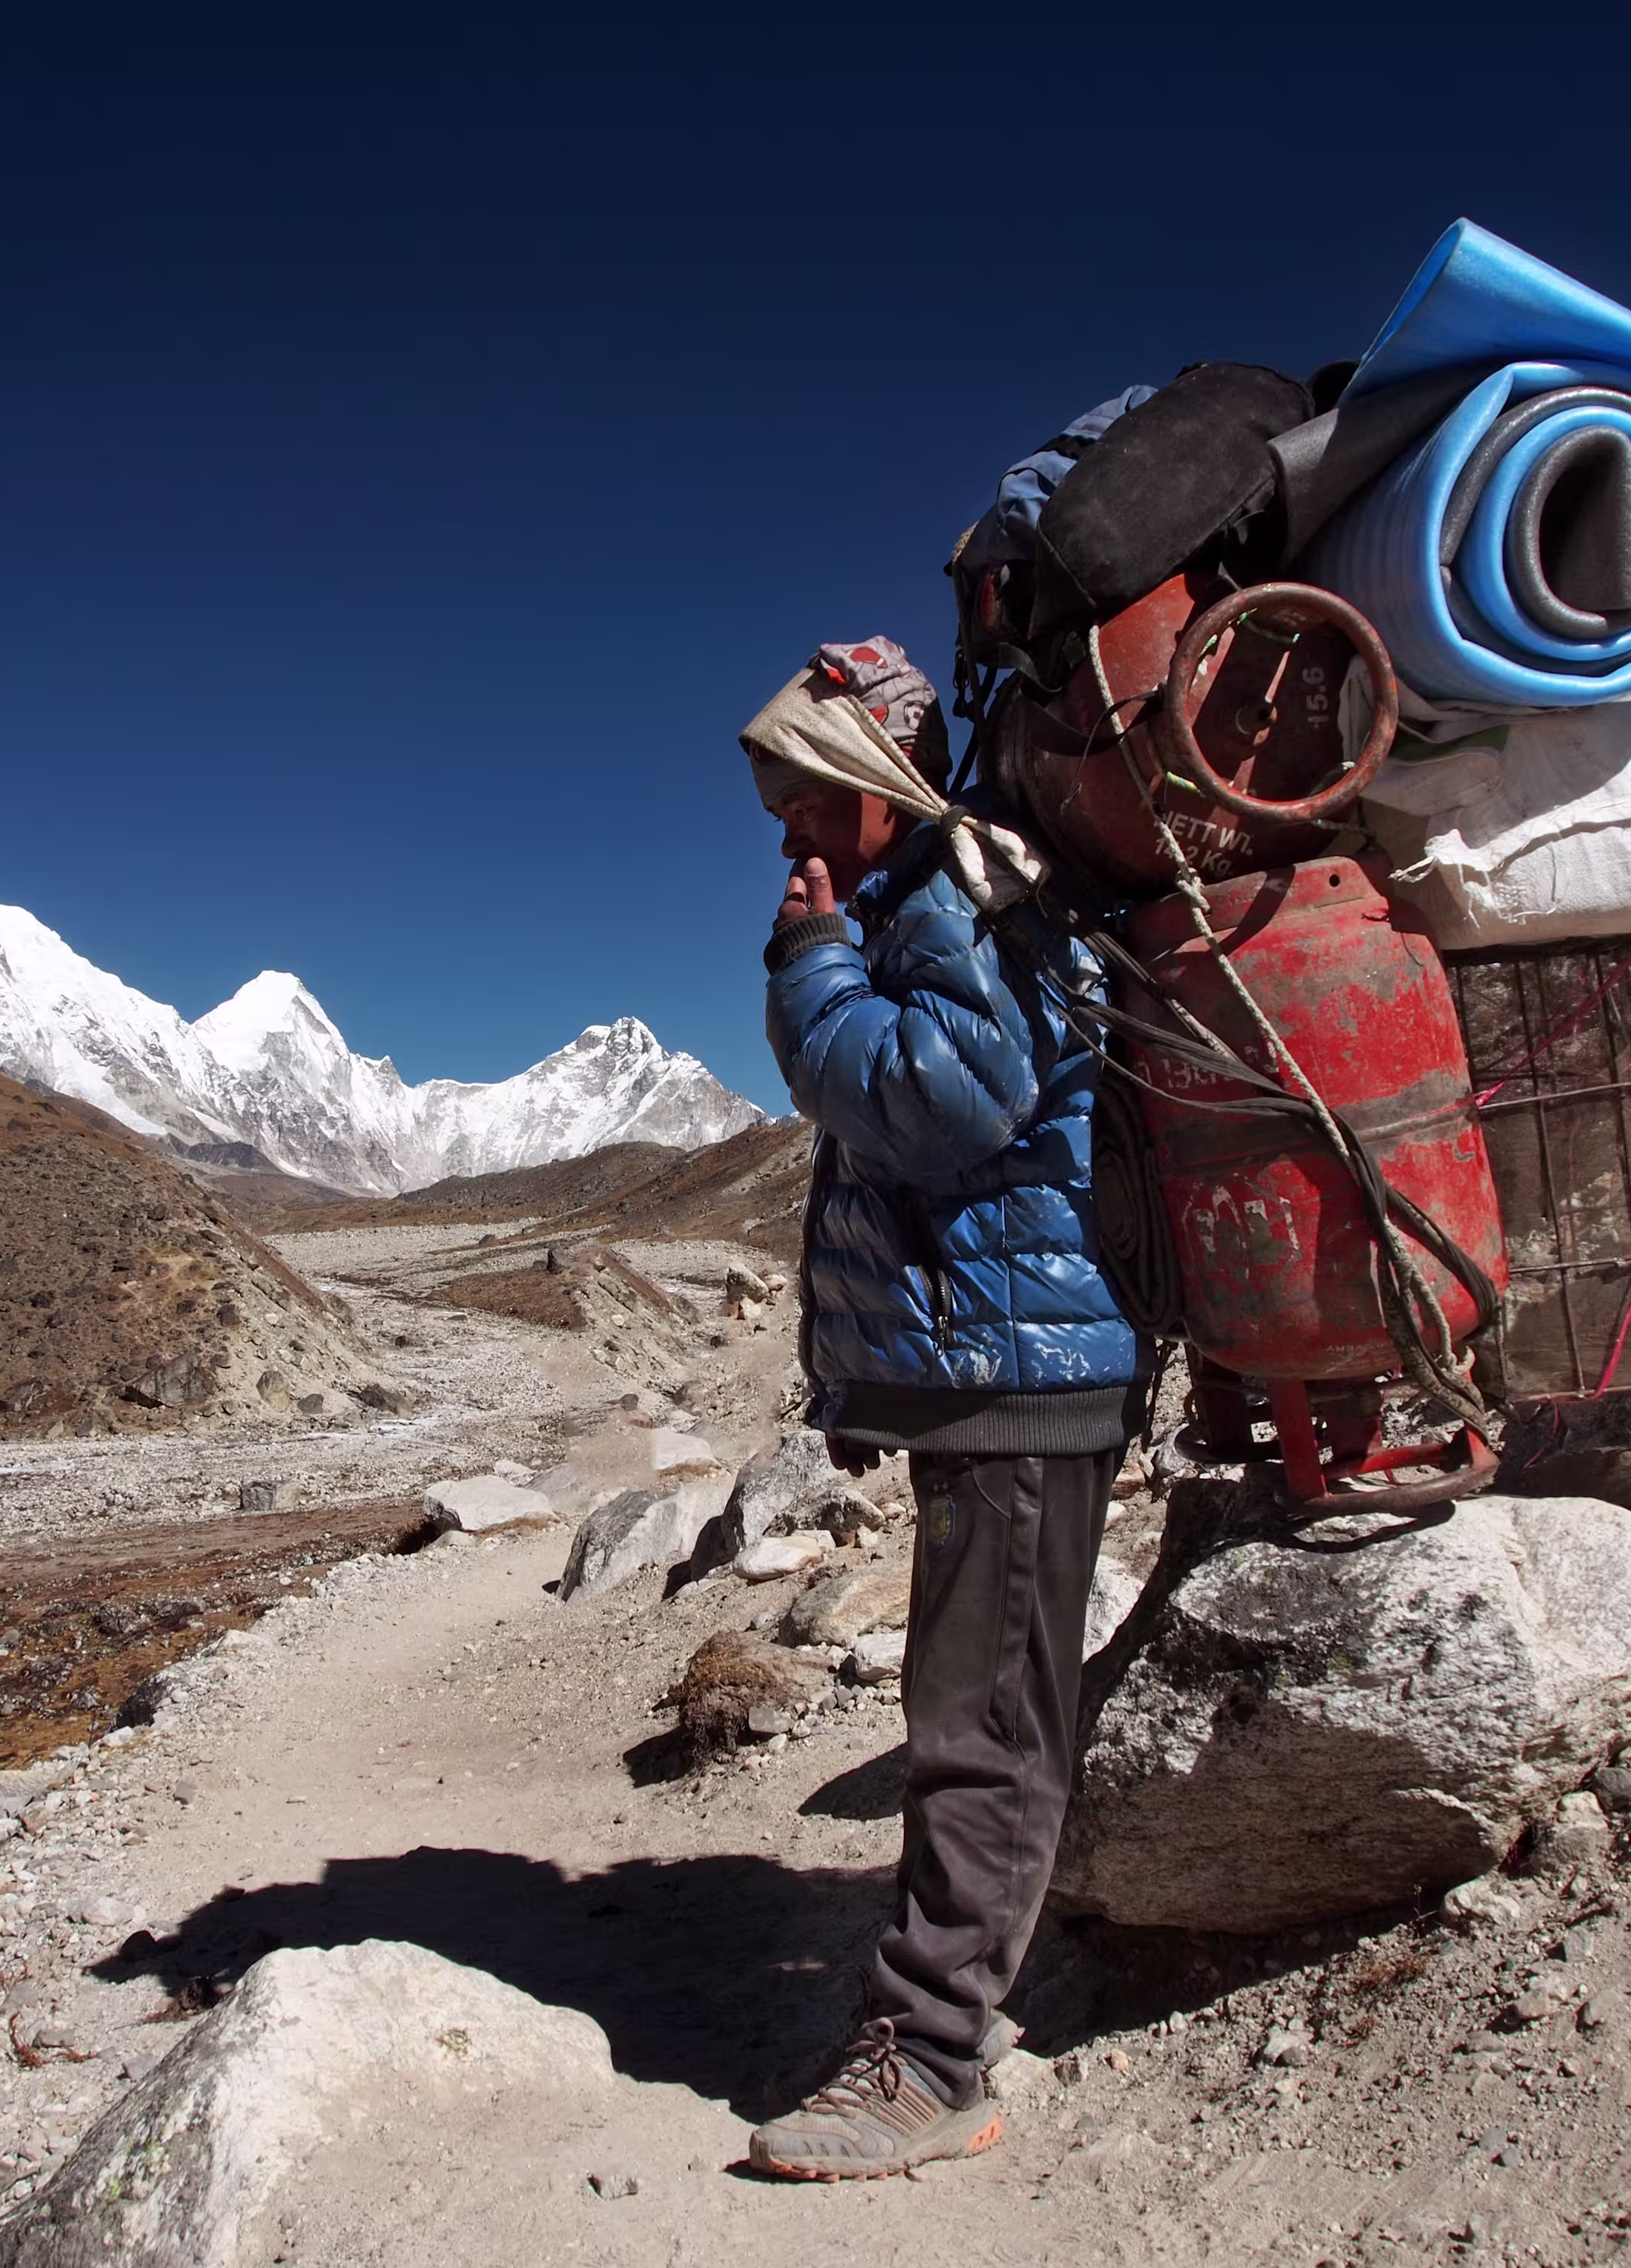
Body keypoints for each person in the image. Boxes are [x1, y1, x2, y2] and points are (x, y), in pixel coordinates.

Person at [735, 637, 1143, 2179]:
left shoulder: (968, 888)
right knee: (978, 1702)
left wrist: (806, 970)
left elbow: (934, 1105)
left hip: (1020, 1375)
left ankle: (930, 2061)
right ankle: (943, 2004)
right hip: (995, 1368)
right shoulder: (933, 892)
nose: (783, 832)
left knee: (977, 1719)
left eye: (799, 796)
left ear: (870, 781)